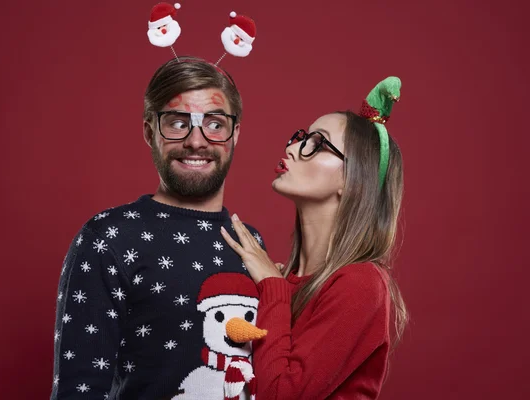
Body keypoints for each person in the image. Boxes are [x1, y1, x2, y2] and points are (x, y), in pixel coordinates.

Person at [50, 57, 267, 400]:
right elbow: (80, 391)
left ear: (235, 133)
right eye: (178, 123)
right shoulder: (109, 238)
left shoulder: (251, 243)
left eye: (214, 123)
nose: (197, 141)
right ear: (150, 131)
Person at [221, 77, 409, 399]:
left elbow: (280, 395)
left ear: (353, 180)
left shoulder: (361, 283)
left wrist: (272, 286)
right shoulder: (287, 280)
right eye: (301, 137)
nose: (292, 147)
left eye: (317, 143)